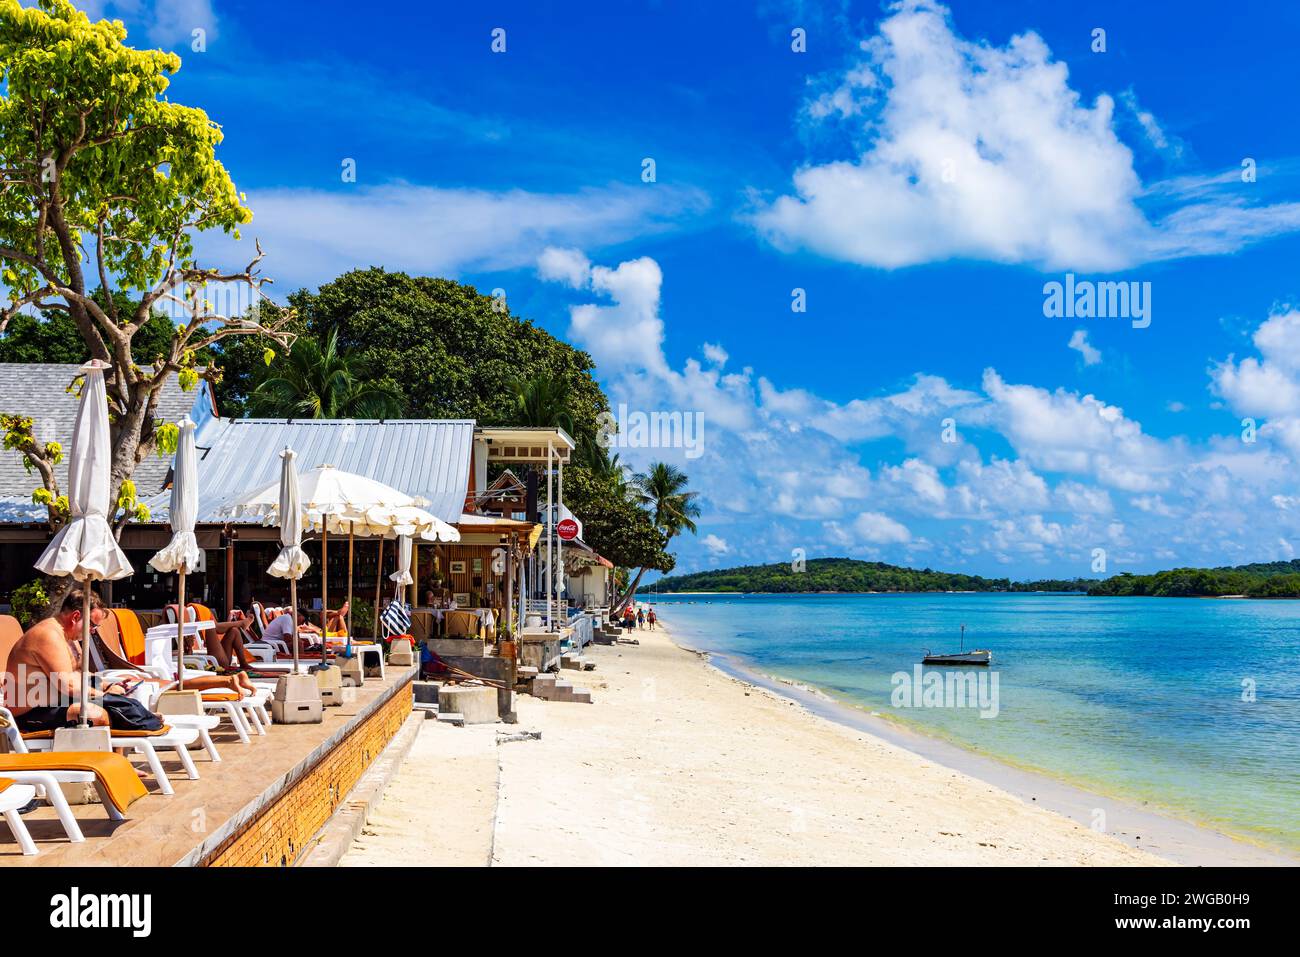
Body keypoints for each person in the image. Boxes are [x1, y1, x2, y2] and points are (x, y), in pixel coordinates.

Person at [2, 587, 112, 731]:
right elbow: (69, 686)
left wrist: (108, 686)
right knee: (98, 715)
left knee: (114, 710)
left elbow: (79, 674)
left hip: (56, 704)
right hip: (28, 714)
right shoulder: (48, 636)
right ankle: (110, 753)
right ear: (75, 617)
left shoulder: (69, 638)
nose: (93, 631)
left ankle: (116, 753)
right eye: (92, 625)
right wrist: (106, 696)